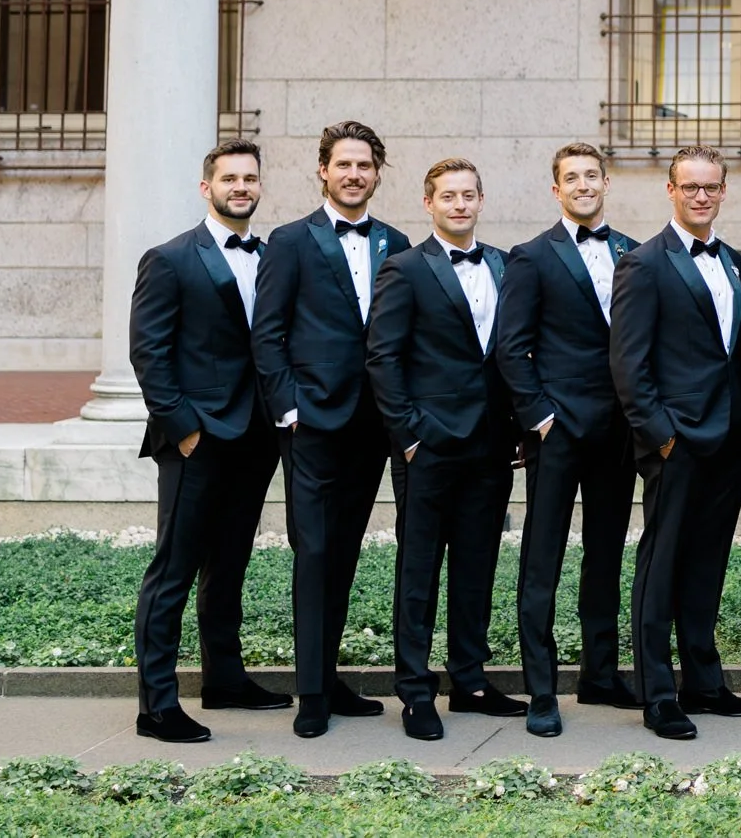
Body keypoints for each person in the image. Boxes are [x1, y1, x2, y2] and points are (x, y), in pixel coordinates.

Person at [249, 120, 410, 738]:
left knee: (343, 553)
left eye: (365, 165)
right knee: (313, 551)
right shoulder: (290, 242)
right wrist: (287, 407)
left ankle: (331, 678)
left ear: (376, 172)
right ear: (323, 170)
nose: (353, 174)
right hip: (311, 420)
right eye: (343, 164)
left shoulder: (395, 242)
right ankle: (310, 692)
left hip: (374, 425)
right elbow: (268, 332)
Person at [129, 139, 289, 744]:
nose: (241, 187)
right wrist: (184, 428)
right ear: (207, 188)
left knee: (230, 563)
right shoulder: (169, 258)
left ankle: (224, 678)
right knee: (174, 567)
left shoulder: (273, 255)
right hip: (196, 438)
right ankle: (156, 705)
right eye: (230, 178)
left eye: (250, 178)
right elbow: (149, 350)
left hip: (256, 436)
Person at [367, 158, 527, 740]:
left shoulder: (508, 266)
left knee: (476, 566)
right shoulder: (404, 268)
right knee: (418, 571)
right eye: (448, 196)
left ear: (482, 200)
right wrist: (408, 435)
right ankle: (413, 691)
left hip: (491, 447)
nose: (459, 204)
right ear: (429, 204)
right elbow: (383, 358)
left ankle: (471, 681)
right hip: (427, 446)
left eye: (468, 195)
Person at [610, 144, 741, 740]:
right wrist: (659, 435)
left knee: (708, 563)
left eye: (711, 187)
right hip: (675, 439)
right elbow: (628, 360)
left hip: (727, 439)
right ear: (671, 192)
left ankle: (704, 680)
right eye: (690, 187)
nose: (701, 196)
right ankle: (657, 692)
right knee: (662, 562)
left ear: (723, 192)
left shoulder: (730, 259)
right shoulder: (644, 263)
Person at [494, 142, 644, 736]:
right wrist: (540, 415)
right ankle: (541, 689)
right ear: (556, 189)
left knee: (607, 552)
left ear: (606, 182)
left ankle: (600, 673)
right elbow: (512, 345)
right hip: (557, 430)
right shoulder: (531, 256)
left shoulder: (635, 252)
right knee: (542, 560)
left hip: (619, 428)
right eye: (571, 178)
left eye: (591, 176)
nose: (583, 185)